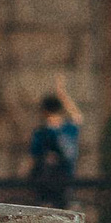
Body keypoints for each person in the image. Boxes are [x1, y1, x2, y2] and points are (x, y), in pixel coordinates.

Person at [25, 77, 84, 209]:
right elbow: (77, 117)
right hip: (66, 180)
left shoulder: (41, 132)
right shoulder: (68, 129)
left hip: (46, 183)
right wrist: (63, 95)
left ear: (45, 112)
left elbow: (33, 157)